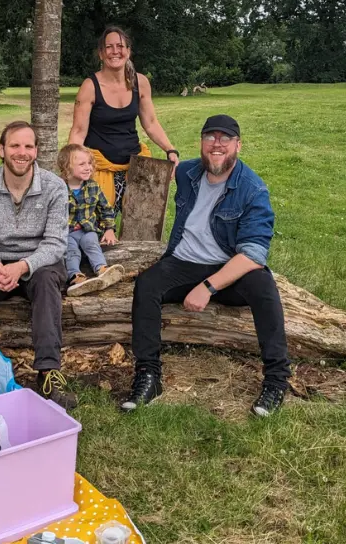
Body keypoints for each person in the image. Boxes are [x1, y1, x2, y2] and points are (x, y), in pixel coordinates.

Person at [122, 115, 291, 416]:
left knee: (264, 287)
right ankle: (149, 374)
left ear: (238, 145)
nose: (217, 144)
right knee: (147, 285)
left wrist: (208, 287)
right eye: (210, 137)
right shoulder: (187, 172)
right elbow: (162, 174)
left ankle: (277, 381)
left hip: (227, 268)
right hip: (184, 262)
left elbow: (253, 255)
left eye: (225, 138)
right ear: (201, 143)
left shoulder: (253, 190)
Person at [0, 121, 76, 409]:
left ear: (36, 150)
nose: (22, 153)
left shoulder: (54, 187)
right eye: (14, 146)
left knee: (47, 281)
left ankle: (48, 372)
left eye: (28, 146)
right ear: (1, 150)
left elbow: (56, 244)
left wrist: (21, 267)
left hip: (38, 263)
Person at [67, 26, 180, 214]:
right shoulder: (90, 86)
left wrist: (170, 149)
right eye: (109, 47)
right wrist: (70, 165)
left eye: (120, 46)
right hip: (99, 166)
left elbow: (151, 123)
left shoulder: (140, 82)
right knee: (96, 229)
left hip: (135, 164)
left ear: (128, 51)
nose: (115, 51)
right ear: (101, 54)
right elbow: (78, 131)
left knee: (142, 227)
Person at [56, 143, 125, 296]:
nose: (88, 167)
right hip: (66, 232)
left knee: (92, 243)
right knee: (71, 251)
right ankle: (76, 277)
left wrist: (109, 229)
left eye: (89, 163)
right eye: (82, 164)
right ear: (67, 168)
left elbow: (106, 209)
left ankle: (102, 270)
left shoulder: (93, 186)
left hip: (88, 229)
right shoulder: (58, 188)